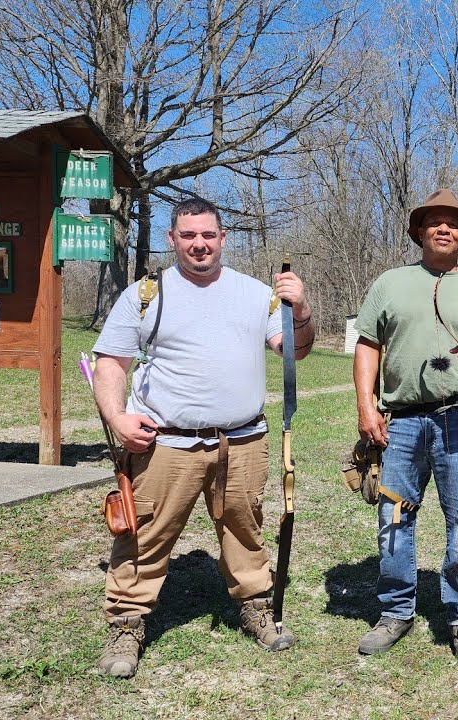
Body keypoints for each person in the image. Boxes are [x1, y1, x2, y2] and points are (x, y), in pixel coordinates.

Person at [92, 197, 316, 679]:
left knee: (245, 527)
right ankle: (127, 624)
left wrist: (301, 309)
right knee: (144, 534)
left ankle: (256, 606)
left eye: (208, 235)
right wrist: (117, 418)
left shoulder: (257, 294)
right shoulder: (146, 295)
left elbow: (294, 350)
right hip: (165, 443)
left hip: (243, 441)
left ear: (222, 239)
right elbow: (111, 362)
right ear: (172, 239)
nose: (199, 244)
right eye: (188, 236)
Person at [352, 188, 458, 664]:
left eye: (454, 223)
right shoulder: (390, 283)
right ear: (420, 231)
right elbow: (367, 345)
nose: (444, 229)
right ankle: (396, 612)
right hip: (399, 423)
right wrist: (366, 406)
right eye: (435, 222)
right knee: (394, 518)